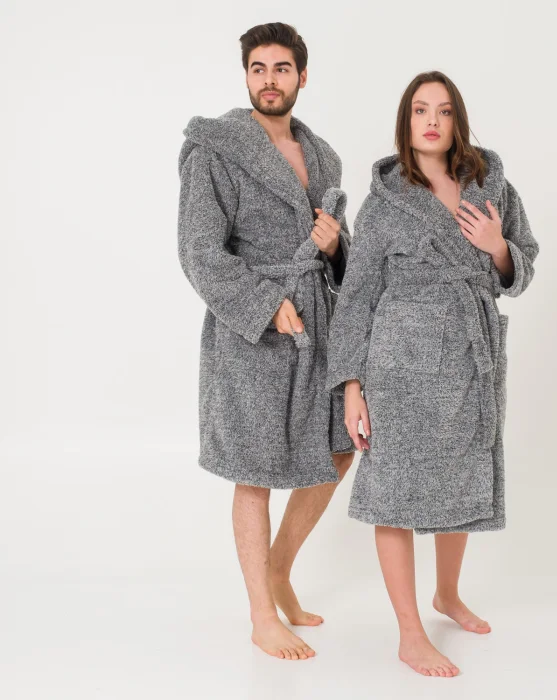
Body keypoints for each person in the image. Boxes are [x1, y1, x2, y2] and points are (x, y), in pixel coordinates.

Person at [325, 71, 540, 677]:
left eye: (443, 111)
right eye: (421, 110)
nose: (432, 121)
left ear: (456, 121)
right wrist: (351, 387)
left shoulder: (491, 186)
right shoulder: (386, 201)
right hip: (398, 363)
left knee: (462, 475)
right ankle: (410, 632)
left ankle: (447, 594)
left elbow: (523, 263)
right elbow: (357, 298)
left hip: (471, 357)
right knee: (393, 492)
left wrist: (498, 247)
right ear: (406, 121)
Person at [177, 22, 355, 661]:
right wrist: (264, 304)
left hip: (318, 323)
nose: (269, 80)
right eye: (258, 68)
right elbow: (198, 250)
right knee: (254, 472)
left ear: (302, 76)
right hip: (250, 332)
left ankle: (279, 569)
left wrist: (336, 248)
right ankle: (261, 615)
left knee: (341, 447)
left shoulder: (324, 155)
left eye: (281, 68)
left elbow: (340, 250)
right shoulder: (216, 148)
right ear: (246, 75)